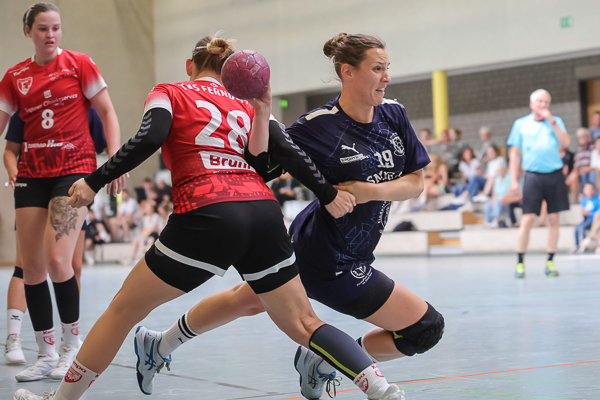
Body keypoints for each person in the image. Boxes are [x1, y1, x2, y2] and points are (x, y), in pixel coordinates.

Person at [14, 34, 405, 400]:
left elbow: (150, 137)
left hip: (207, 211)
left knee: (122, 310)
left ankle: (60, 399)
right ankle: (381, 388)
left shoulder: (169, 91)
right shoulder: (246, 104)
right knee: (304, 323)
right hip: (263, 213)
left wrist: (94, 181)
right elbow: (286, 151)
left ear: (190, 66)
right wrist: (327, 194)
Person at [131, 32, 443, 400]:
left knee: (246, 299)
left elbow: (416, 183)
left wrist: (368, 191)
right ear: (348, 72)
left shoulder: (394, 114)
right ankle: (326, 361)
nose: (386, 76)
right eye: (377, 69)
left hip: (355, 251)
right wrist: (261, 114)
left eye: (387, 68)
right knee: (424, 328)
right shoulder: (317, 125)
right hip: (326, 255)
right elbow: (259, 166)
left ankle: (160, 343)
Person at [0, 2, 125, 381]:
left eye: (55, 27)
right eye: (42, 28)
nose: (50, 35)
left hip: (73, 172)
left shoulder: (79, 64)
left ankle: (72, 346)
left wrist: (115, 161)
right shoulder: (15, 77)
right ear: (29, 31)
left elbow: (108, 112)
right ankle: (46, 352)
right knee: (32, 267)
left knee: (58, 261)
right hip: (32, 174)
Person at [3, 105, 106, 365]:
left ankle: (69, 338)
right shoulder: (26, 106)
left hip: (70, 187)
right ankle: (14, 337)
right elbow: (10, 149)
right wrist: (15, 173)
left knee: (70, 265)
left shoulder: (85, 108)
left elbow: (101, 146)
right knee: (25, 266)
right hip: (35, 187)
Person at [507, 89, 570, 278]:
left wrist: (552, 122)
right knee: (527, 218)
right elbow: (514, 154)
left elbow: (566, 143)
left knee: (554, 218)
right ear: (532, 104)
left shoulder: (556, 121)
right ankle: (520, 262)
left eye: (546, 102)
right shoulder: (521, 124)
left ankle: (550, 261)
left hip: (554, 174)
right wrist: (513, 180)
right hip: (533, 175)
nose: (543, 105)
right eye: (540, 101)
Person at [574, 182, 600, 252]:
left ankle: (589, 239)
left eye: (590, 189)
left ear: (594, 190)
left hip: (593, 220)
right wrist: (584, 213)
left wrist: (590, 213)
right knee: (577, 228)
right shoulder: (584, 201)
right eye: (587, 189)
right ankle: (577, 245)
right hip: (587, 220)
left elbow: (597, 212)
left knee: (583, 228)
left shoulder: (597, 200)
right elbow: (583, 212)